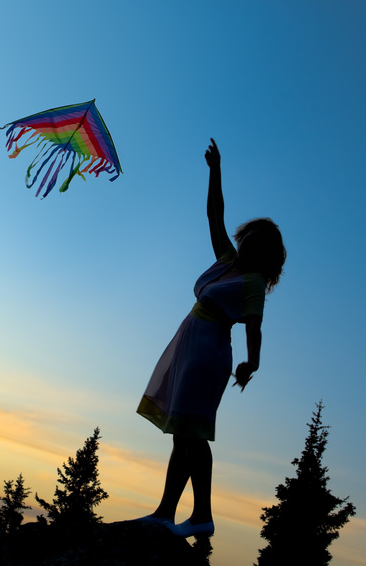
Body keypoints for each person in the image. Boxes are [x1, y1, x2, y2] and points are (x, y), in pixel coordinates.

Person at [135, 139, 286, 537]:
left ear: (266, 250)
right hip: (189, 344)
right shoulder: (226, 262)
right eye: (249, 234)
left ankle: (202, 515)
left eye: (257, 238)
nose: (247, 240)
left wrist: (252, 363)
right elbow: (213, 214)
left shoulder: (252, 281)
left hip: (209, 352)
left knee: (192, 433)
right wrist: (215, 170)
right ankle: (166, 512)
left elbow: (254, 325)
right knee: (181, 435)